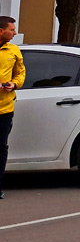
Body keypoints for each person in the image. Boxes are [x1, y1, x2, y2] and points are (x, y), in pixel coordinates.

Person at [0, 16, 25, 199]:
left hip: (5, 108)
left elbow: (21, 73)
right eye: (12, 29)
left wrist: (14, 84)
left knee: (1, 148)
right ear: (1, 31)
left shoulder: (13, 50)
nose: (15, 33)